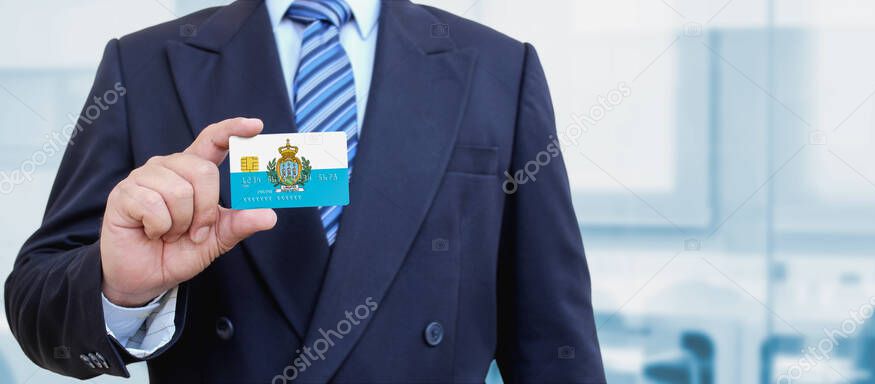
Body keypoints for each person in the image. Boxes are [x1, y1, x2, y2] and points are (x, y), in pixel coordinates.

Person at [4, 0, 605, 382]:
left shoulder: (501, 68)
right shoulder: (142, 65)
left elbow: (555, 343)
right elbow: (36, 305)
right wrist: (119, 290)